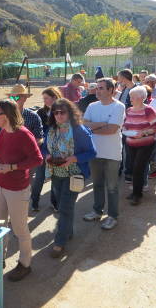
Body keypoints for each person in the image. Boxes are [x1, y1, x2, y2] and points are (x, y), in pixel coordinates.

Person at [0, 99, 43, 281]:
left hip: (17, 188)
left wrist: (12, 167)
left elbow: (38, 159)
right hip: (0, 185)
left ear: (7, 115)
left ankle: (25, 264)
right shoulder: (3, 132)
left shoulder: (23, 134)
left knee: (19, 229)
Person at [45, 99, 96, 258]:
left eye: (62, 112)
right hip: (56, 173)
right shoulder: (52, 129)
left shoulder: (78, 130)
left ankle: (59, 242)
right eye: (56, 112)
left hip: (73, 174)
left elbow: (92, 152)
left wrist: (74, 158)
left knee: (65, 208)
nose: (59, 115)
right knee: (62, 206)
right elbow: (43, 147)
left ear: (70, 113)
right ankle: (68, 232)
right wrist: (46, 155)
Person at [83, 78, 125, 230]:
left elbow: (112, 130)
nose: (97, 91)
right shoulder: (92, 105)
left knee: (112, 187)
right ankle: (97, 211)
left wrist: (92, 127)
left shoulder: (119, 106)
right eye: (97, 88)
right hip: (94, 152)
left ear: (111, 90)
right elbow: (84, 125)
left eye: (101, 88)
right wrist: (101, 124)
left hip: (112, 153)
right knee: (97, 184)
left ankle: (112, 216)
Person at [123, 86, 156, 205]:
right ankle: (136, 191)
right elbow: (126, 124)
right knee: (134, 168)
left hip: (146, 143)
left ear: (141, 98)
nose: (130, 99)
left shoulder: (148, 110)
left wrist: (144, 132)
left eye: (132, 97)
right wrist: (124, 128)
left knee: (138, 168)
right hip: (130, 143)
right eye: (130, 96)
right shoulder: (129, 110)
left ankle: (137, 195)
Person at [31, 87, 62, 211]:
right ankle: (34, 201)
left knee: (55, 177)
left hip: (58, 150)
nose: (44, 101)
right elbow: (38, 132)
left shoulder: (63, 111)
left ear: (55, 97)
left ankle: (55, 203)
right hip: (43, 150)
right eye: (43, 98)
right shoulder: (40, 113)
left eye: (46, 98)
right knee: (39, 176)